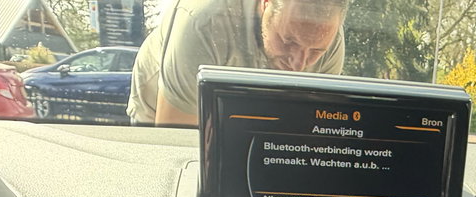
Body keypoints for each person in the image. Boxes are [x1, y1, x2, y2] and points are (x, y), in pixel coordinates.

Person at [128, 0, 349, 126]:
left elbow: (311, 133)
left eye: (316, 51)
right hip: (168, 108)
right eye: (288, 41)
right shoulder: (203, 22)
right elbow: (174, 146)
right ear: (266, 3)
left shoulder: (330, 39)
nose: (298, 64)